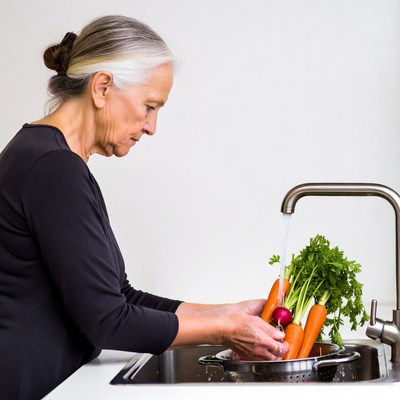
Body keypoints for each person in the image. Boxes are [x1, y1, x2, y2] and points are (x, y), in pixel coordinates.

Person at [0, 15, 288, 400]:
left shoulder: (51, 158)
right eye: (149, 106)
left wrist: (228, 314)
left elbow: (120, 297)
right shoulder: (54, 169)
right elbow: (109, 322)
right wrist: (223, 331)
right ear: (102, 87)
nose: (152, 126)